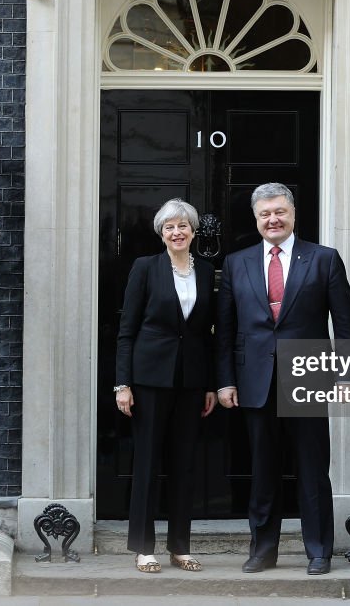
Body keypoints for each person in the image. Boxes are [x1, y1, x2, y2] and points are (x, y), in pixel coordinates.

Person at [216, 182, 350, 576]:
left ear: (293, 214)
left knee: (312, 469)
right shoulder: (236, 263)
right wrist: (225, 381)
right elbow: (225, 330)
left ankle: (318, 551)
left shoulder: (324, 259)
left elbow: (344, 323)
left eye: (279, 212)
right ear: (256, 218)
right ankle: (263, 550)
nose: (272, 219)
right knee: (262, 470)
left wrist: (347, 375)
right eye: (265, 214)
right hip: (254, 380)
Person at [115, 198, 218, 573]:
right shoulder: (145, 268)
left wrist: (209, 383)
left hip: (191, 381)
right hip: (149, 379)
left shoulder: (206, 271)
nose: (177, 232)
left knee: (184, 464)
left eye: (183, 226)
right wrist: (122, 384)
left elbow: (208, 333)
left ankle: (180, 547)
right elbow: (126, 331)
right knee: (147, 462)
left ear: (193, 231)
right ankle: (144, 547)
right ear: (162, 233)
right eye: (170, 227)